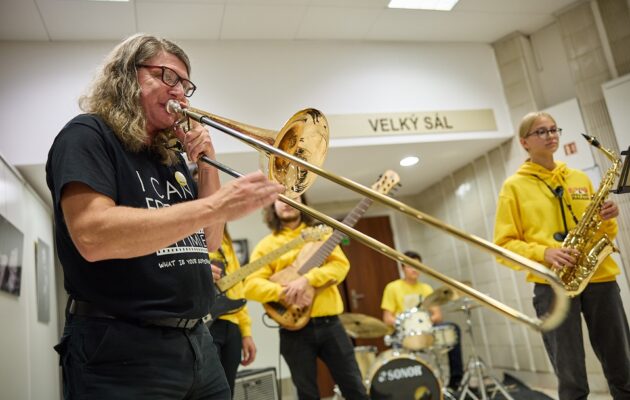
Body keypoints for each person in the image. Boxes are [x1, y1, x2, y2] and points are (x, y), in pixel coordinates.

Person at [46, 33, 284, 399]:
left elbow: (209, 240)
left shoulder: (167, 157)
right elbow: (93, 236)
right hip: (121, 349)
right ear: (126, 75)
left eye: (186, 85)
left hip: (197, 344)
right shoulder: (86, 135)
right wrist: (217, 205)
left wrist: (206, 165)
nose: (180, 94)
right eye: (167, 76)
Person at [493, 111, 630, 399]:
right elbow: (503, 245)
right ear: (524, 142)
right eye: (541, 131)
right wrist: (545, 252)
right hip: (552, 284)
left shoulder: (579, 177)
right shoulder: (513, 187)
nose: (551, 135)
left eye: (554, 129)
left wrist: (608, 218)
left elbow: (605, 233)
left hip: (600, 276)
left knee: (623, 365)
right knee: (571, 375)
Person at [243, 196, 369, 400]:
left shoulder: (321, 236)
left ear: (303, 203)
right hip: (293, 332)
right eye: (281, 198)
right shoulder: (266, 246)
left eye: (294, 197)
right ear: (272, 206)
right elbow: (250, 285)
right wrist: (284, 292)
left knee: (354, 387)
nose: (287, 202)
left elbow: (340, 266)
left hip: (331, 325)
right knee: (306, 394)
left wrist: (308, 280)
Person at [381, 250, 464, 390]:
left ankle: (455, 381)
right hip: (403, 333)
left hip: (425, 330)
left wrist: (425, 322)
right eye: (410, 265)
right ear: (403, 268)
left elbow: (437, 315)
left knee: (453, 328)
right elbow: (387, 317)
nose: (414, 269)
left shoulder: (426, 288)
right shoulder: (392, 287)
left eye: (417, 266)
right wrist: (403, 323)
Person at [207, 227, 257, 397]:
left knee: (228, 391)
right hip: (204, 326)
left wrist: (246, 333)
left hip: (232, 326)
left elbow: (238, 292)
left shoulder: (226, 240)